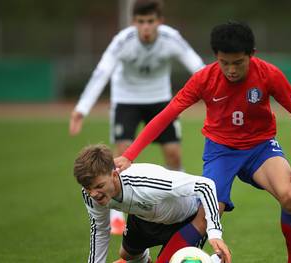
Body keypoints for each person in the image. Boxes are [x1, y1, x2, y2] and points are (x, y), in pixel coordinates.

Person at [115, 21, 291, 263]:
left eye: (238, 63)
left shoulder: (268, 74)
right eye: (224, 62)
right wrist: (129, 155)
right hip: (221, 151)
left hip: (260, 147)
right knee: (207, 215)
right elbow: (166, 115)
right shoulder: (204, 79)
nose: (230, 70)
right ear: (216, 56)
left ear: (252, 55)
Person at [69, 0, 205, 235]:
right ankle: (116, 217)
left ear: (159, 22)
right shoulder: (123, 42)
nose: (145, 27)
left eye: (150, 21)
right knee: (122, 154)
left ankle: (186, 202)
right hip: (126, 100)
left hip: (160, 100)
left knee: (173, 153)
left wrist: (215, 93)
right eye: (141, 22)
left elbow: (199, 68)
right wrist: (81, 108)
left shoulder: (171, 38)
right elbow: (102, 72)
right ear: (134, 23)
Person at [73, 144, 231, 263]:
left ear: (114, 175)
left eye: (99, 186)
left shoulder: (146, 182)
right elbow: (100, 230)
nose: (93, 194)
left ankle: (214, 260)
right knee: (127, 254)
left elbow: (205, 185)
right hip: (145, 216)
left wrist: (214, 232)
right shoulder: (92, 194)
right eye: (88, 188)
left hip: (185, 219)